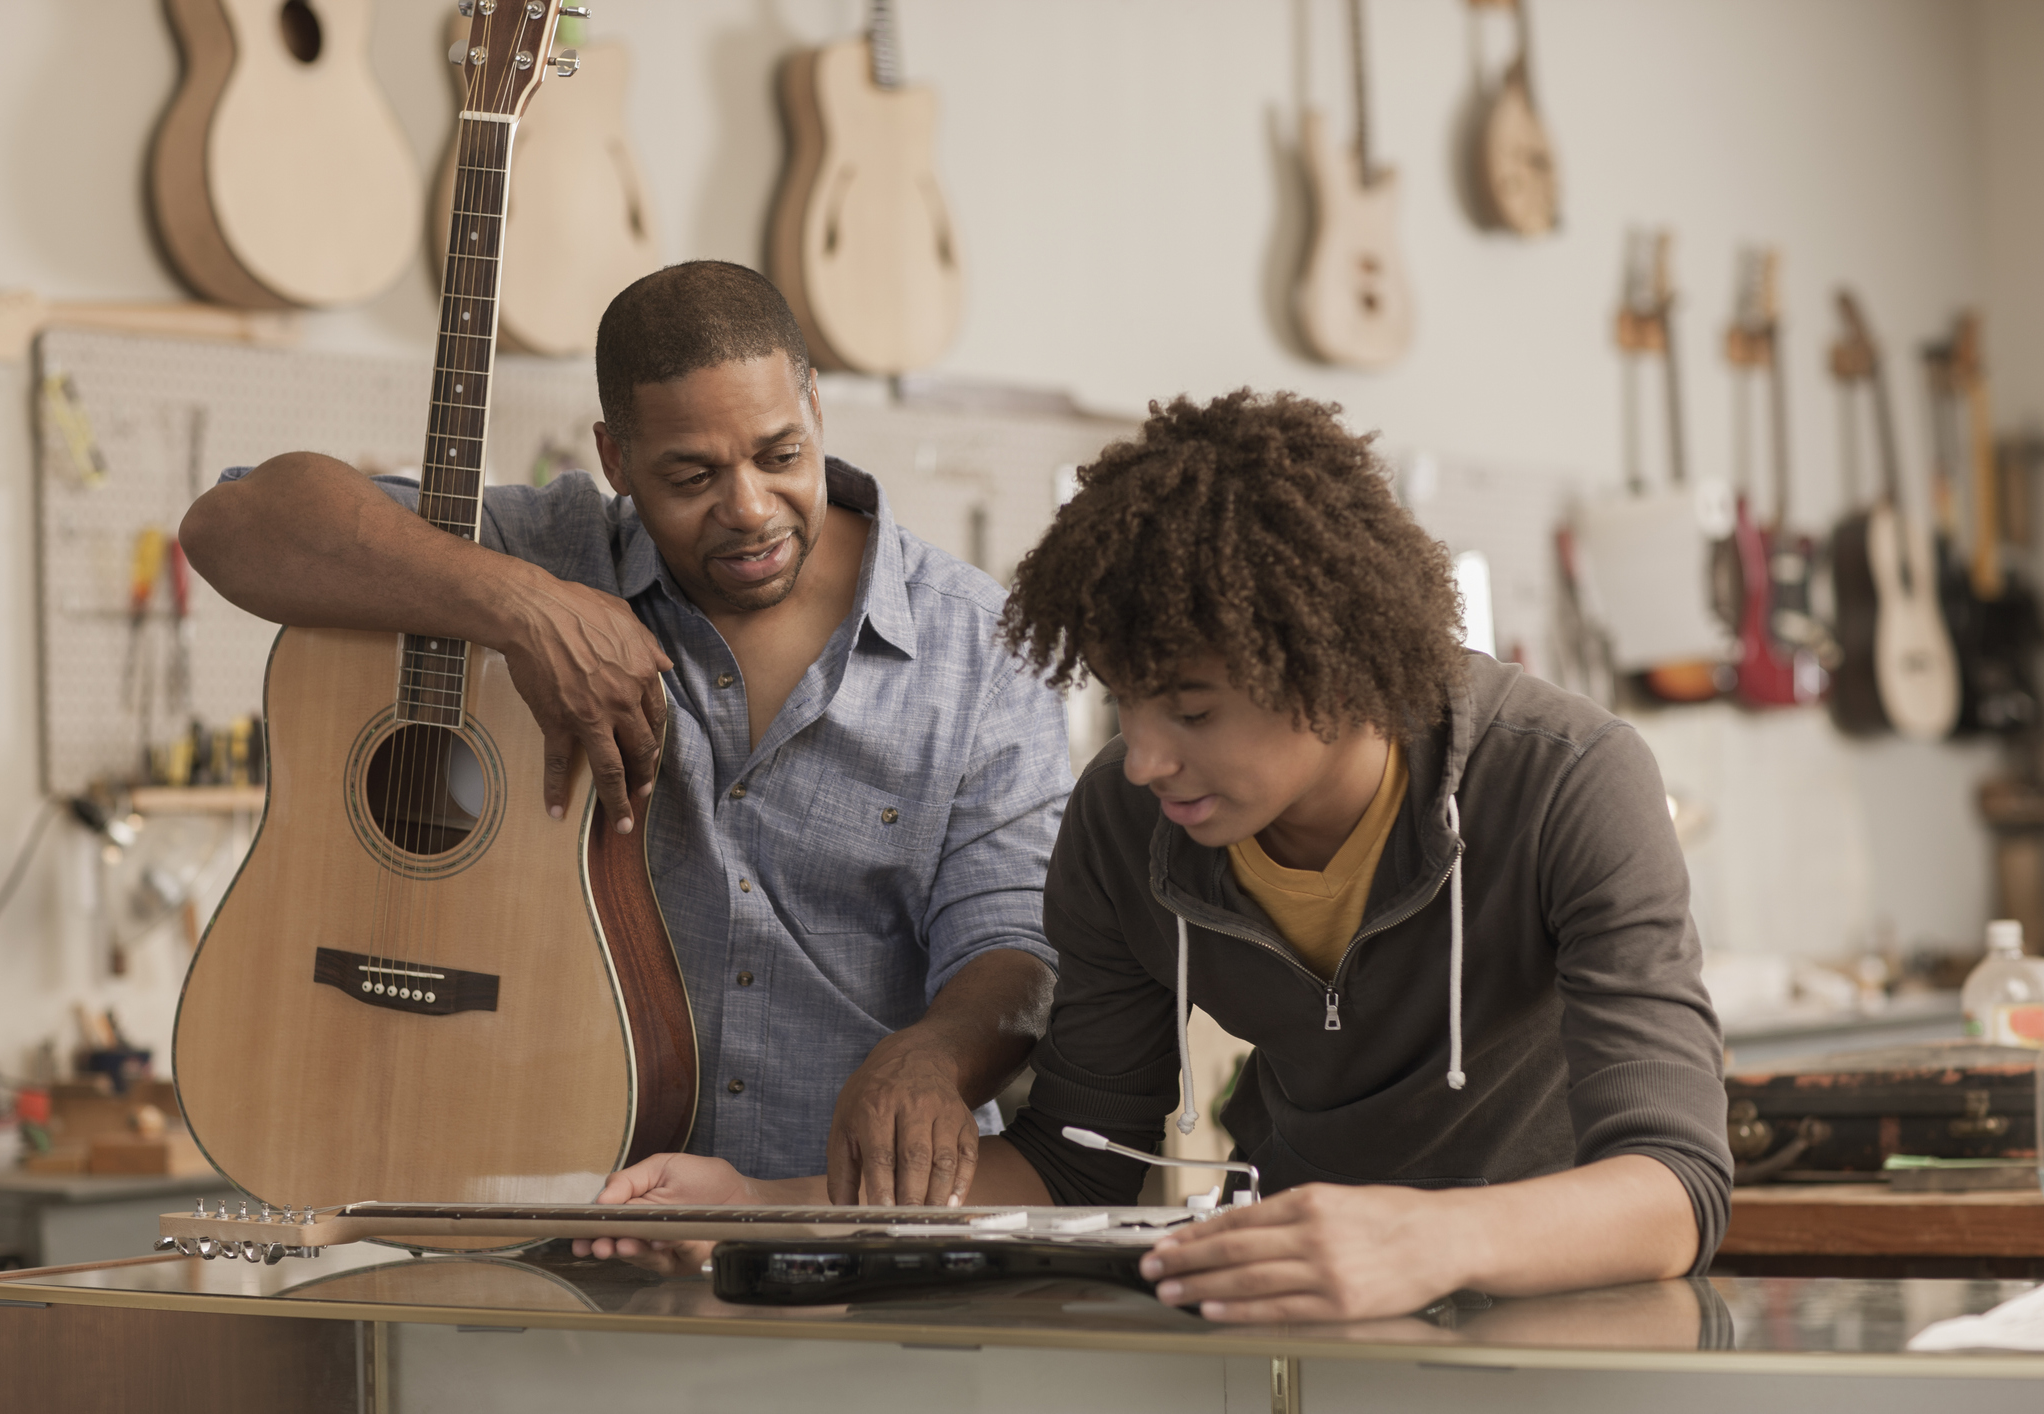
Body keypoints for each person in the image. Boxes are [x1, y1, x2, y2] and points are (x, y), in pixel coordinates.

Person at [582, 390, 1733, 1325]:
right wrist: (764, 1207)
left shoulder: (1567, 778)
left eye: (1189, 709)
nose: (1141, 761)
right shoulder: (1124, 829)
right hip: (1305, 1324)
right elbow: (1067, 1173)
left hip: (1579, 1321)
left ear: (1329, 670)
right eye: (1126, 704)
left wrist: (1425, 1237)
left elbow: (1674, 1188)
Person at [178, 261, 1070, 1205]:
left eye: (779, 454)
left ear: (814, 405)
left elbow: (1015, 945)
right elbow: (234, 526)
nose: (750, 509)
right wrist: (520, 604)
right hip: (565, 1219)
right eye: (691, 476)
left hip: (849, 1228)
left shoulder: (984, 649)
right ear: (616, 458)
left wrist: (934, 1057)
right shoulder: (557, 551)